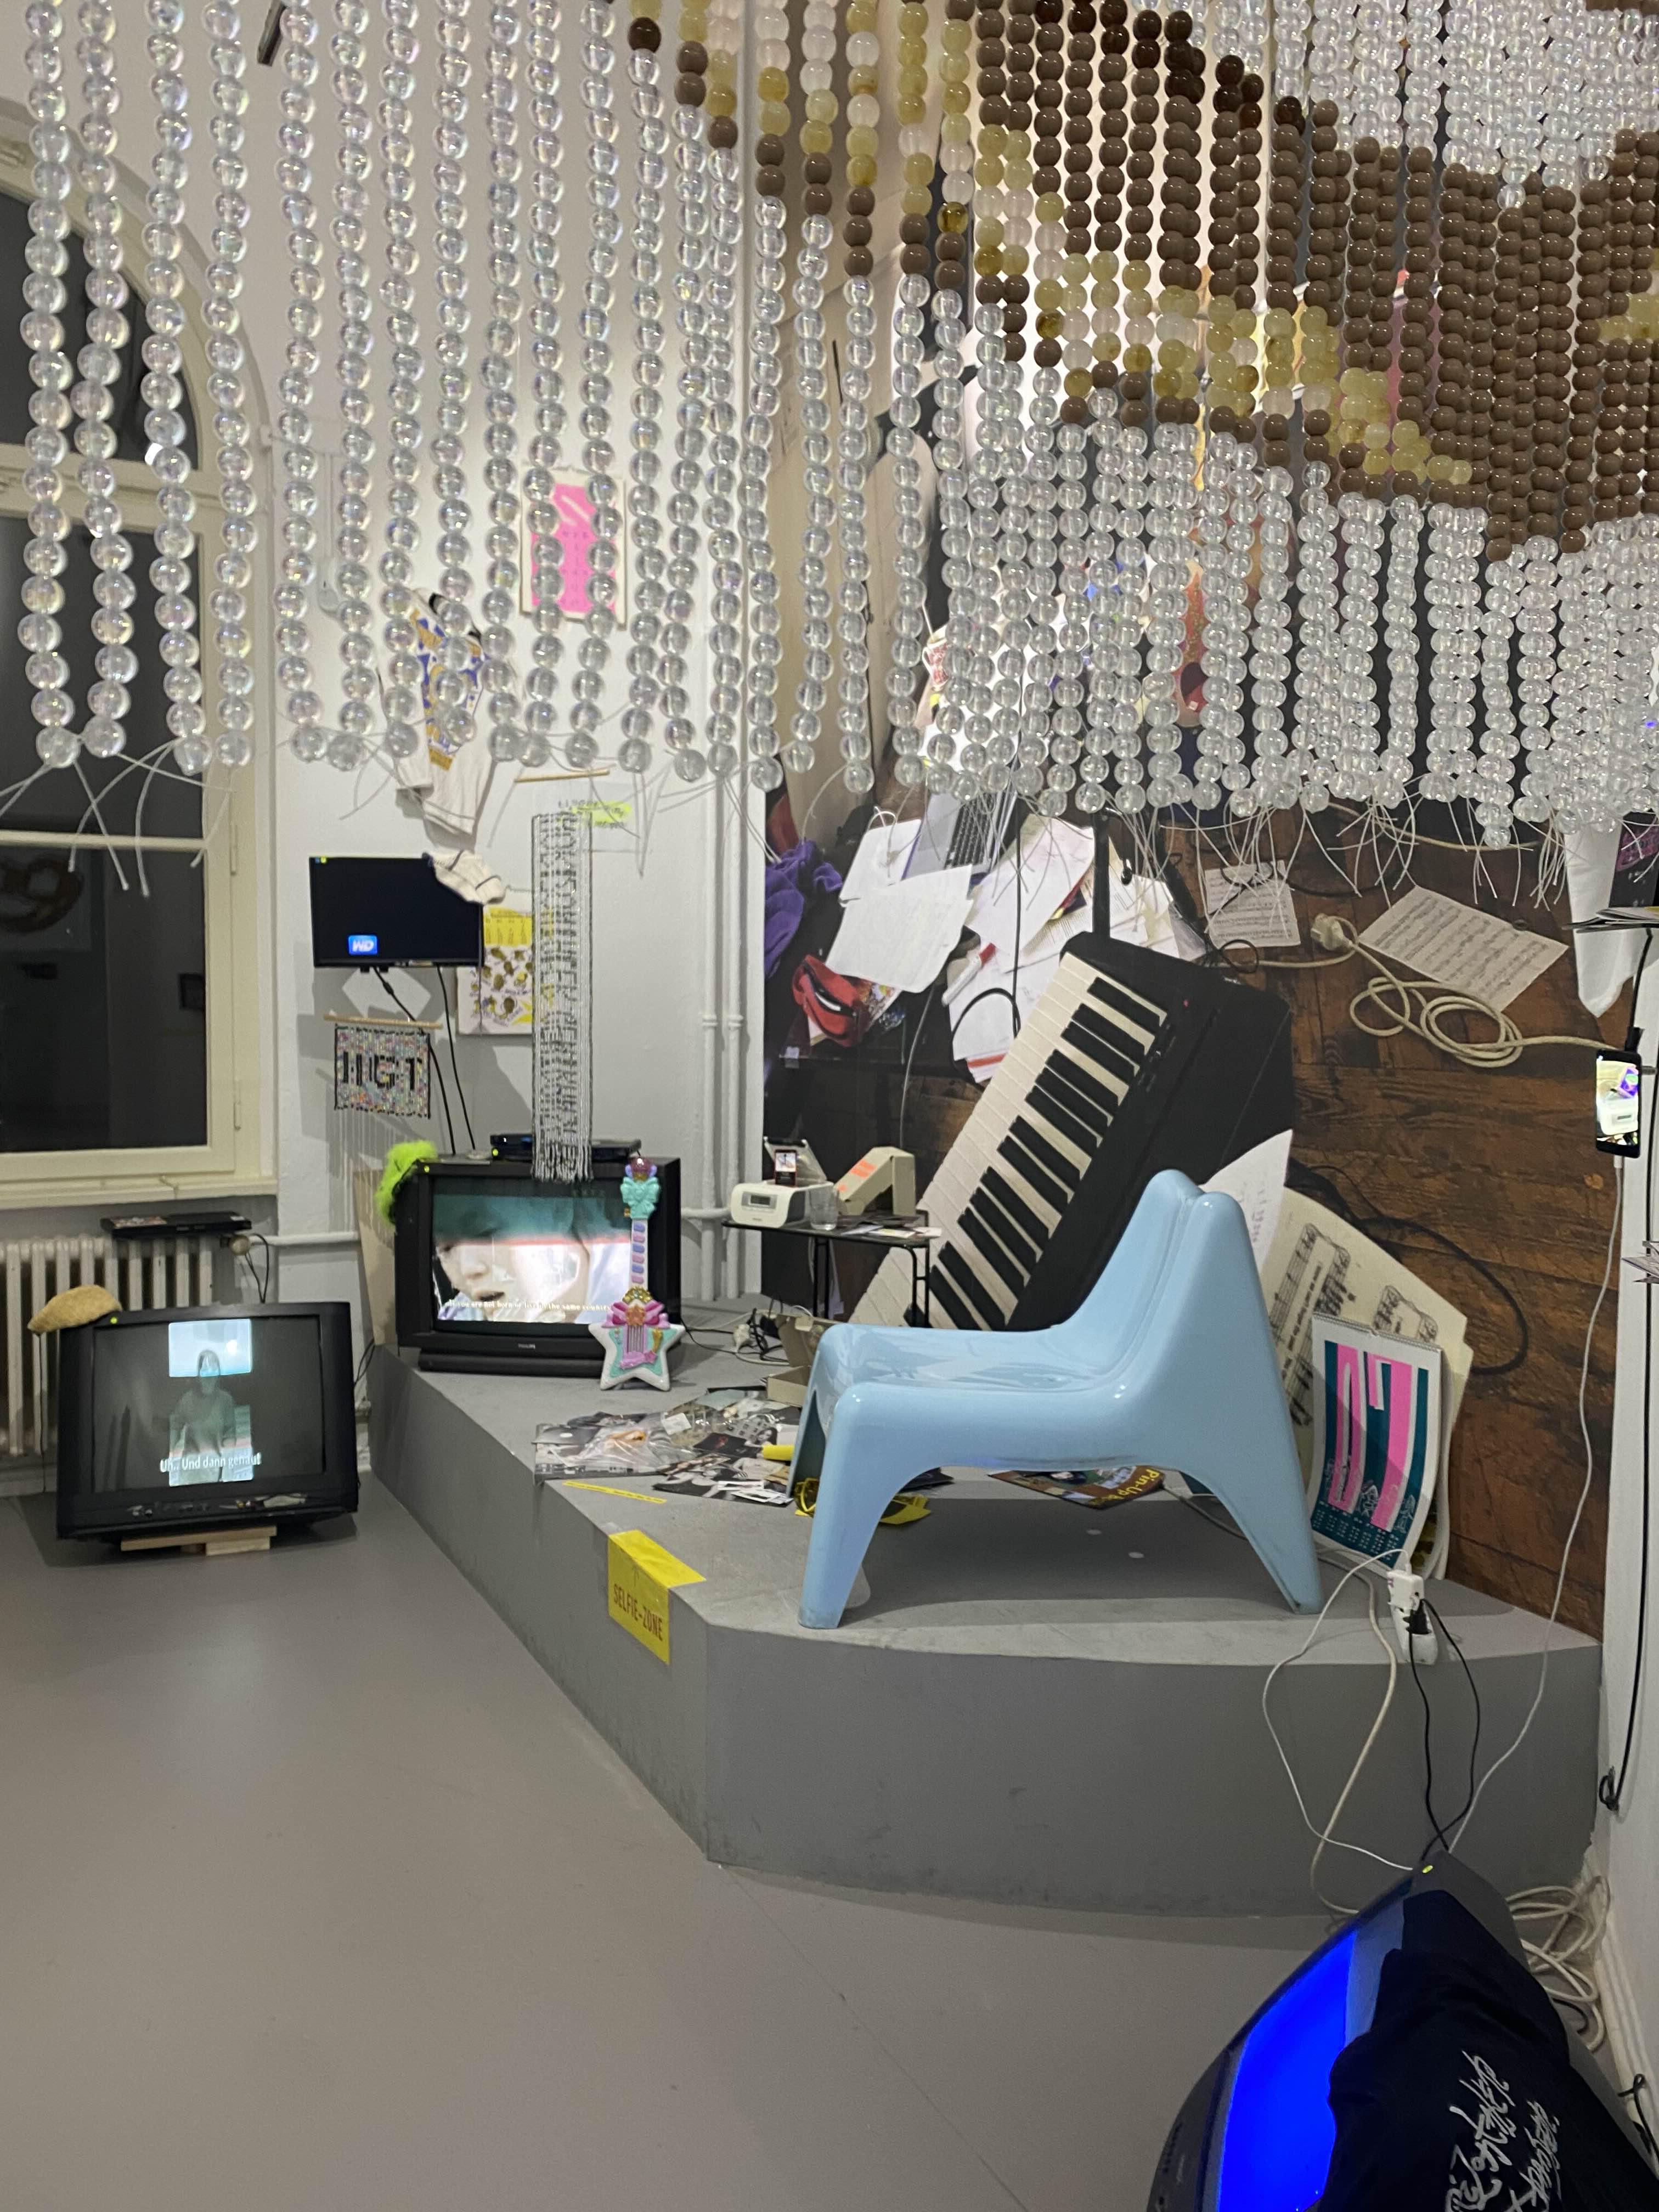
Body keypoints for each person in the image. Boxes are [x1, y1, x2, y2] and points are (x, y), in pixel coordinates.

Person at [166, 1350, 242, 1482]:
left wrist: (228, 1471)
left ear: (218, 1373)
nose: (209, 1375)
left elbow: (230, 1436)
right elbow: (175, 1426)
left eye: (214, 1369)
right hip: (190, 1469)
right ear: (199, 1374)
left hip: (213, 1469)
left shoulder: (226, 1400)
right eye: (205, 1369)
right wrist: (171, 1456)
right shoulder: (187, 1400)